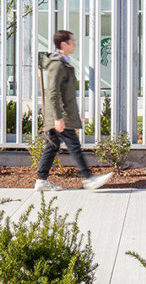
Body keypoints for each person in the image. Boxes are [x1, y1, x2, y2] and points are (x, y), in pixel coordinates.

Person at [35, 30, 113, 192]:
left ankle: (41, 180)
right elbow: (53, 93)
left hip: (63, 114)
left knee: (51, 147)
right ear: (64, 44)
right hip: (61, 116)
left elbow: (67, 94)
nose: (75, 44)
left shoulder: (64, 64)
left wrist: (75, 113)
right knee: (74, 146)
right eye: (72, 41)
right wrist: (58, 118)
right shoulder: (57, 65)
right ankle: (88, 178)